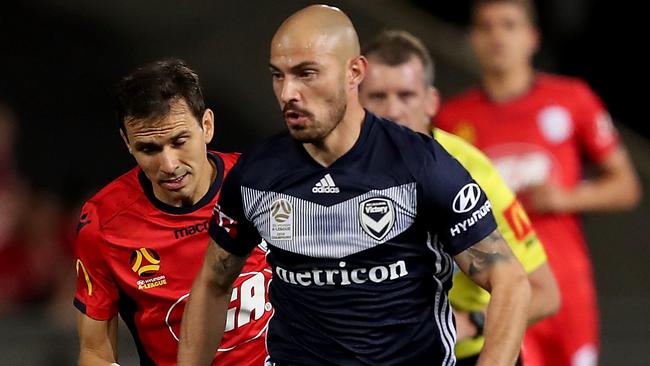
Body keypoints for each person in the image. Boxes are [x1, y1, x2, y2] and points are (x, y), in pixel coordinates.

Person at [178, 5, 531, 366]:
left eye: (306, 73)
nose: (288, 93)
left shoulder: (422, 164)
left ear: (355, 72)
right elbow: (212, 283)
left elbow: (510, 282)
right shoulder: (256, 176)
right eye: (278, 75)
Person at [436, 1, 642, 365]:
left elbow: (626, 186)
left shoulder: (572, 99)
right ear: (473, 38)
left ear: (533, 37)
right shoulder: (452, 119)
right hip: (498, 296)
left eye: (509, 25)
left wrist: (563, 198)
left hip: (565, 288)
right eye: (486, 27)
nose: (497, 36)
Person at [359, 29, 560, 365]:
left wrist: (472, 322)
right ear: (355, 100)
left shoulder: (472, 174)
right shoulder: (330, 172)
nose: (392, 111)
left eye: (406, 95)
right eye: (378, 96)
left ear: (431, 102)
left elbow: (544, 294)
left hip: (465, 356)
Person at [73, 59, 272, 366]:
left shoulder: (263, 185)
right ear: (127, 142)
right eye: (148, 149)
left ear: (206, 126)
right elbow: (95, 352)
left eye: (179, 142)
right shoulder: (103, 223)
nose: (168, 165)